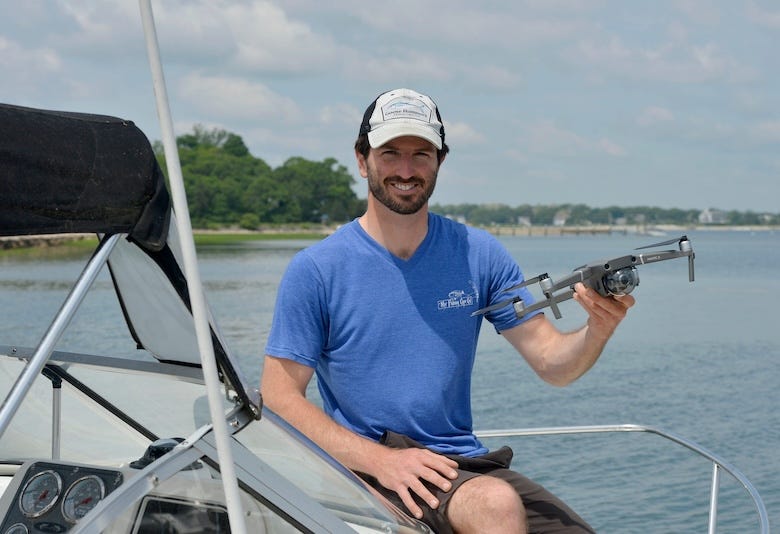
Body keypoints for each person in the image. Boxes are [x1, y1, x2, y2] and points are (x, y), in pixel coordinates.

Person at [261, 88, 635, 533]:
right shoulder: (317, 269)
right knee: (495, 504)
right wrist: (380, 461)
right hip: (367, 468)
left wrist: (596, 328)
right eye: (390, 153)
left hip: (463, 462)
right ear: (362, 160)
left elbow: (551, 363)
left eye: (421, 153)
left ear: (441, 160)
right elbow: (279, 398)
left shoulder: (479, 254)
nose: (406, 169)